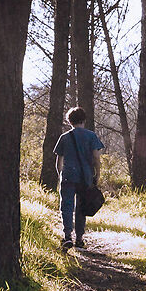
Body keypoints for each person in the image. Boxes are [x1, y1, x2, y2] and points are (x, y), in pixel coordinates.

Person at [53, 107, 105, 250]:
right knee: (81, 207)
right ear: (84, 120)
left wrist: (60, 175)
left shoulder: (64, 137)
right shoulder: (91, 136)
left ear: (69, 121)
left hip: (68, 176)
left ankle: (67, 236)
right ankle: (80, 238)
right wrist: (97, 174)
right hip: (85, 176)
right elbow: (96, 157)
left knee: (66, 206)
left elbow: (59, 162)